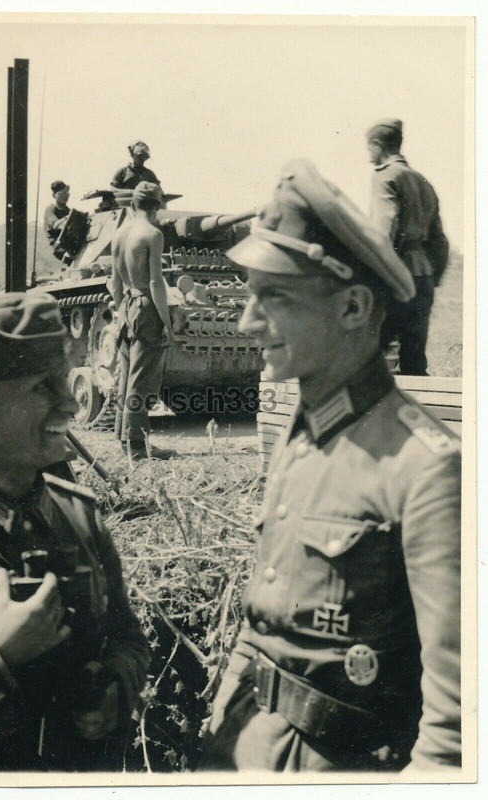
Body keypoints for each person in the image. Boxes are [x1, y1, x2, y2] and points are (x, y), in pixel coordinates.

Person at [200, 159, 461, 773]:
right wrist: (220, 725)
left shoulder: (424, 470)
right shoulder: (304, 429)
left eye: (275, 298)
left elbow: (454, 733)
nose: (246, 322)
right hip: (245, 746)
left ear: (352, 309)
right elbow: (263, 619)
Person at [0, 292, 149, 771]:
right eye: (41, 387)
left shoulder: (79, 516)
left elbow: (128, 635)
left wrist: (116, 686)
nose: (72, 404)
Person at [367, 119, 450, 375]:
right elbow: (440, 240)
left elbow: (385, 229)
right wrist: (432, 278)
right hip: (422, 278)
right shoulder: (424, 182)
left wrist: (378, 276)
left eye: (369, 148)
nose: (369, 156)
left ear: (378, 145)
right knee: (414, 362)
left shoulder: (385, 176)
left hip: (394, 277)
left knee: (365, 357)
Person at [110, 182, 175, 461]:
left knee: (126, 377)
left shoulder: (119, 235)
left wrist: (122, 312)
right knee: (141, 379)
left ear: (133, 204)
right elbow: (155, 282)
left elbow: (113, 283)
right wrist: (167, 323)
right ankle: (138, 448)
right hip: (146, 306)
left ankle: (125, 442)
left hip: (126, 305)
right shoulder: (153, 234)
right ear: (158, 206)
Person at [44, 180, 71, 259]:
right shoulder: (50, 209)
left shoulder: (68, 211)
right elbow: (55, 225)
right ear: (54, 195)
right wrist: (68, 219)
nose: (64, 196)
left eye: (66, 193)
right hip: (60, 247)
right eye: (60, 193)